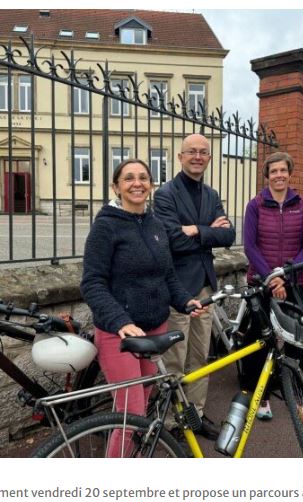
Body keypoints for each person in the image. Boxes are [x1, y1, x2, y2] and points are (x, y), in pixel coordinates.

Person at [80, 159, 204, 456]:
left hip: (155, 328)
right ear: (116, 187)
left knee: (143, 400)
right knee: (130, 413)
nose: (137, 183)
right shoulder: (106, 227)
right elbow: (92, 283)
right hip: (119, 335)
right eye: (128, 178)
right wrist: (120, 320)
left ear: (150, 185)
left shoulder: (155, 224)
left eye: (143, 178)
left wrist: (185, 300)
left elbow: (167, 275)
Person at [153, 133, 235, 439]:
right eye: (192, 152)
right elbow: (171, 239)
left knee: (200, 357)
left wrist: (194, 230)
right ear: (180, 156)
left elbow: (228, 236)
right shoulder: (166, 194)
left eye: (203, 152)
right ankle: (174, 422)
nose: (198, 156)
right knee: (175, 357)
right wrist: (207, 231)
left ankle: (196, 415)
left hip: (205, 287)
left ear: (209, 158)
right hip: (178, 288)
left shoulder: (212, 195)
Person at [240, 151, 303, 420]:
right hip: (261, 283)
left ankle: (297, 394)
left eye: (283, 170)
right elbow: (250, 246)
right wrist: (272, 278)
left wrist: (285, 275)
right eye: (274, 171)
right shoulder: (255, 205)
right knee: (259, 341)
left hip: (295, 283)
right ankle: (259, 397)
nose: (279, 175)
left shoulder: (302, 204)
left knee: (295, 342)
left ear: (289, 173)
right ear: (267, 175)